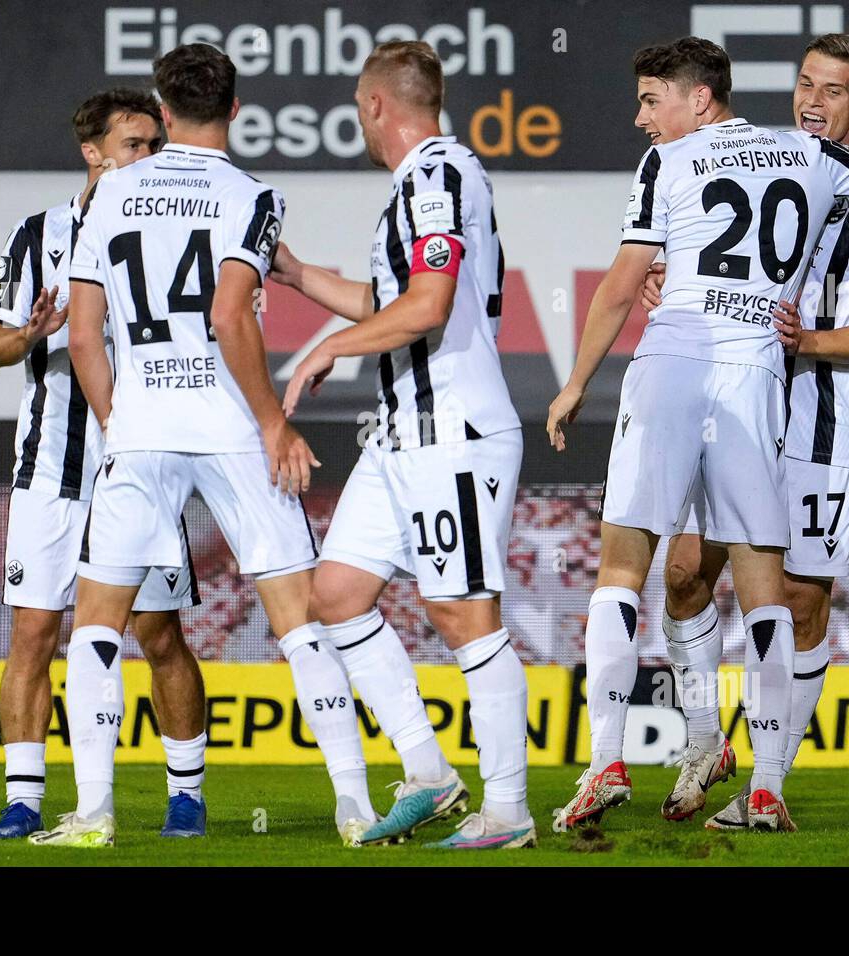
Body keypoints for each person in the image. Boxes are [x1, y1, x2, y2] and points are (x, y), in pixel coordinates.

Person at [547, 36, 849, 832]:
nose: (813, 100)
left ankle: (766, 780)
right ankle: (707, 744)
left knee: (794, 597)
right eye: (804, 83)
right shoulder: (792, 154)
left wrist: (809, 341)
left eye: (834, 91)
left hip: (818, 410)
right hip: (753, 386)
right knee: (687, 572)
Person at [29, 44, 374, 848]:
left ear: (162, 108)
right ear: (239, 109)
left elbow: (84, 338)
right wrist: (272, 422)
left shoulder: (110, 192)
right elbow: (230, 317)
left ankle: (93, 814)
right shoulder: (252, 194)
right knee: (298, 623)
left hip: (142, 425)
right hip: (226, 425)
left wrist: (123, 422)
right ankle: (354, 808)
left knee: (97, 630)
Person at [277, 40, 534, 849]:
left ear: (378, 105)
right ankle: (429, 772)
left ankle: (508, 809)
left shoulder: (437, 177)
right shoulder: (419, 186)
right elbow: (385, 298)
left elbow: (426, 306)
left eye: (360, 107)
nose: (360, 119)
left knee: (461, 611)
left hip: (452, 428)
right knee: (338, 595)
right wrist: (294, 273)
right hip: (402, 437)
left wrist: (326, 347)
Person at [0, 88, 207, 840]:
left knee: (161, 634)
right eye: (136, 144)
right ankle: (23, 800)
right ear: (93, 151)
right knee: (34, 636)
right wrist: (33, 333)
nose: (149, 157)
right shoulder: (37, 234)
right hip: (50, 469)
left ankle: (186, 795)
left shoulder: (171, 233)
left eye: (155, 144)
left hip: (140, 467)